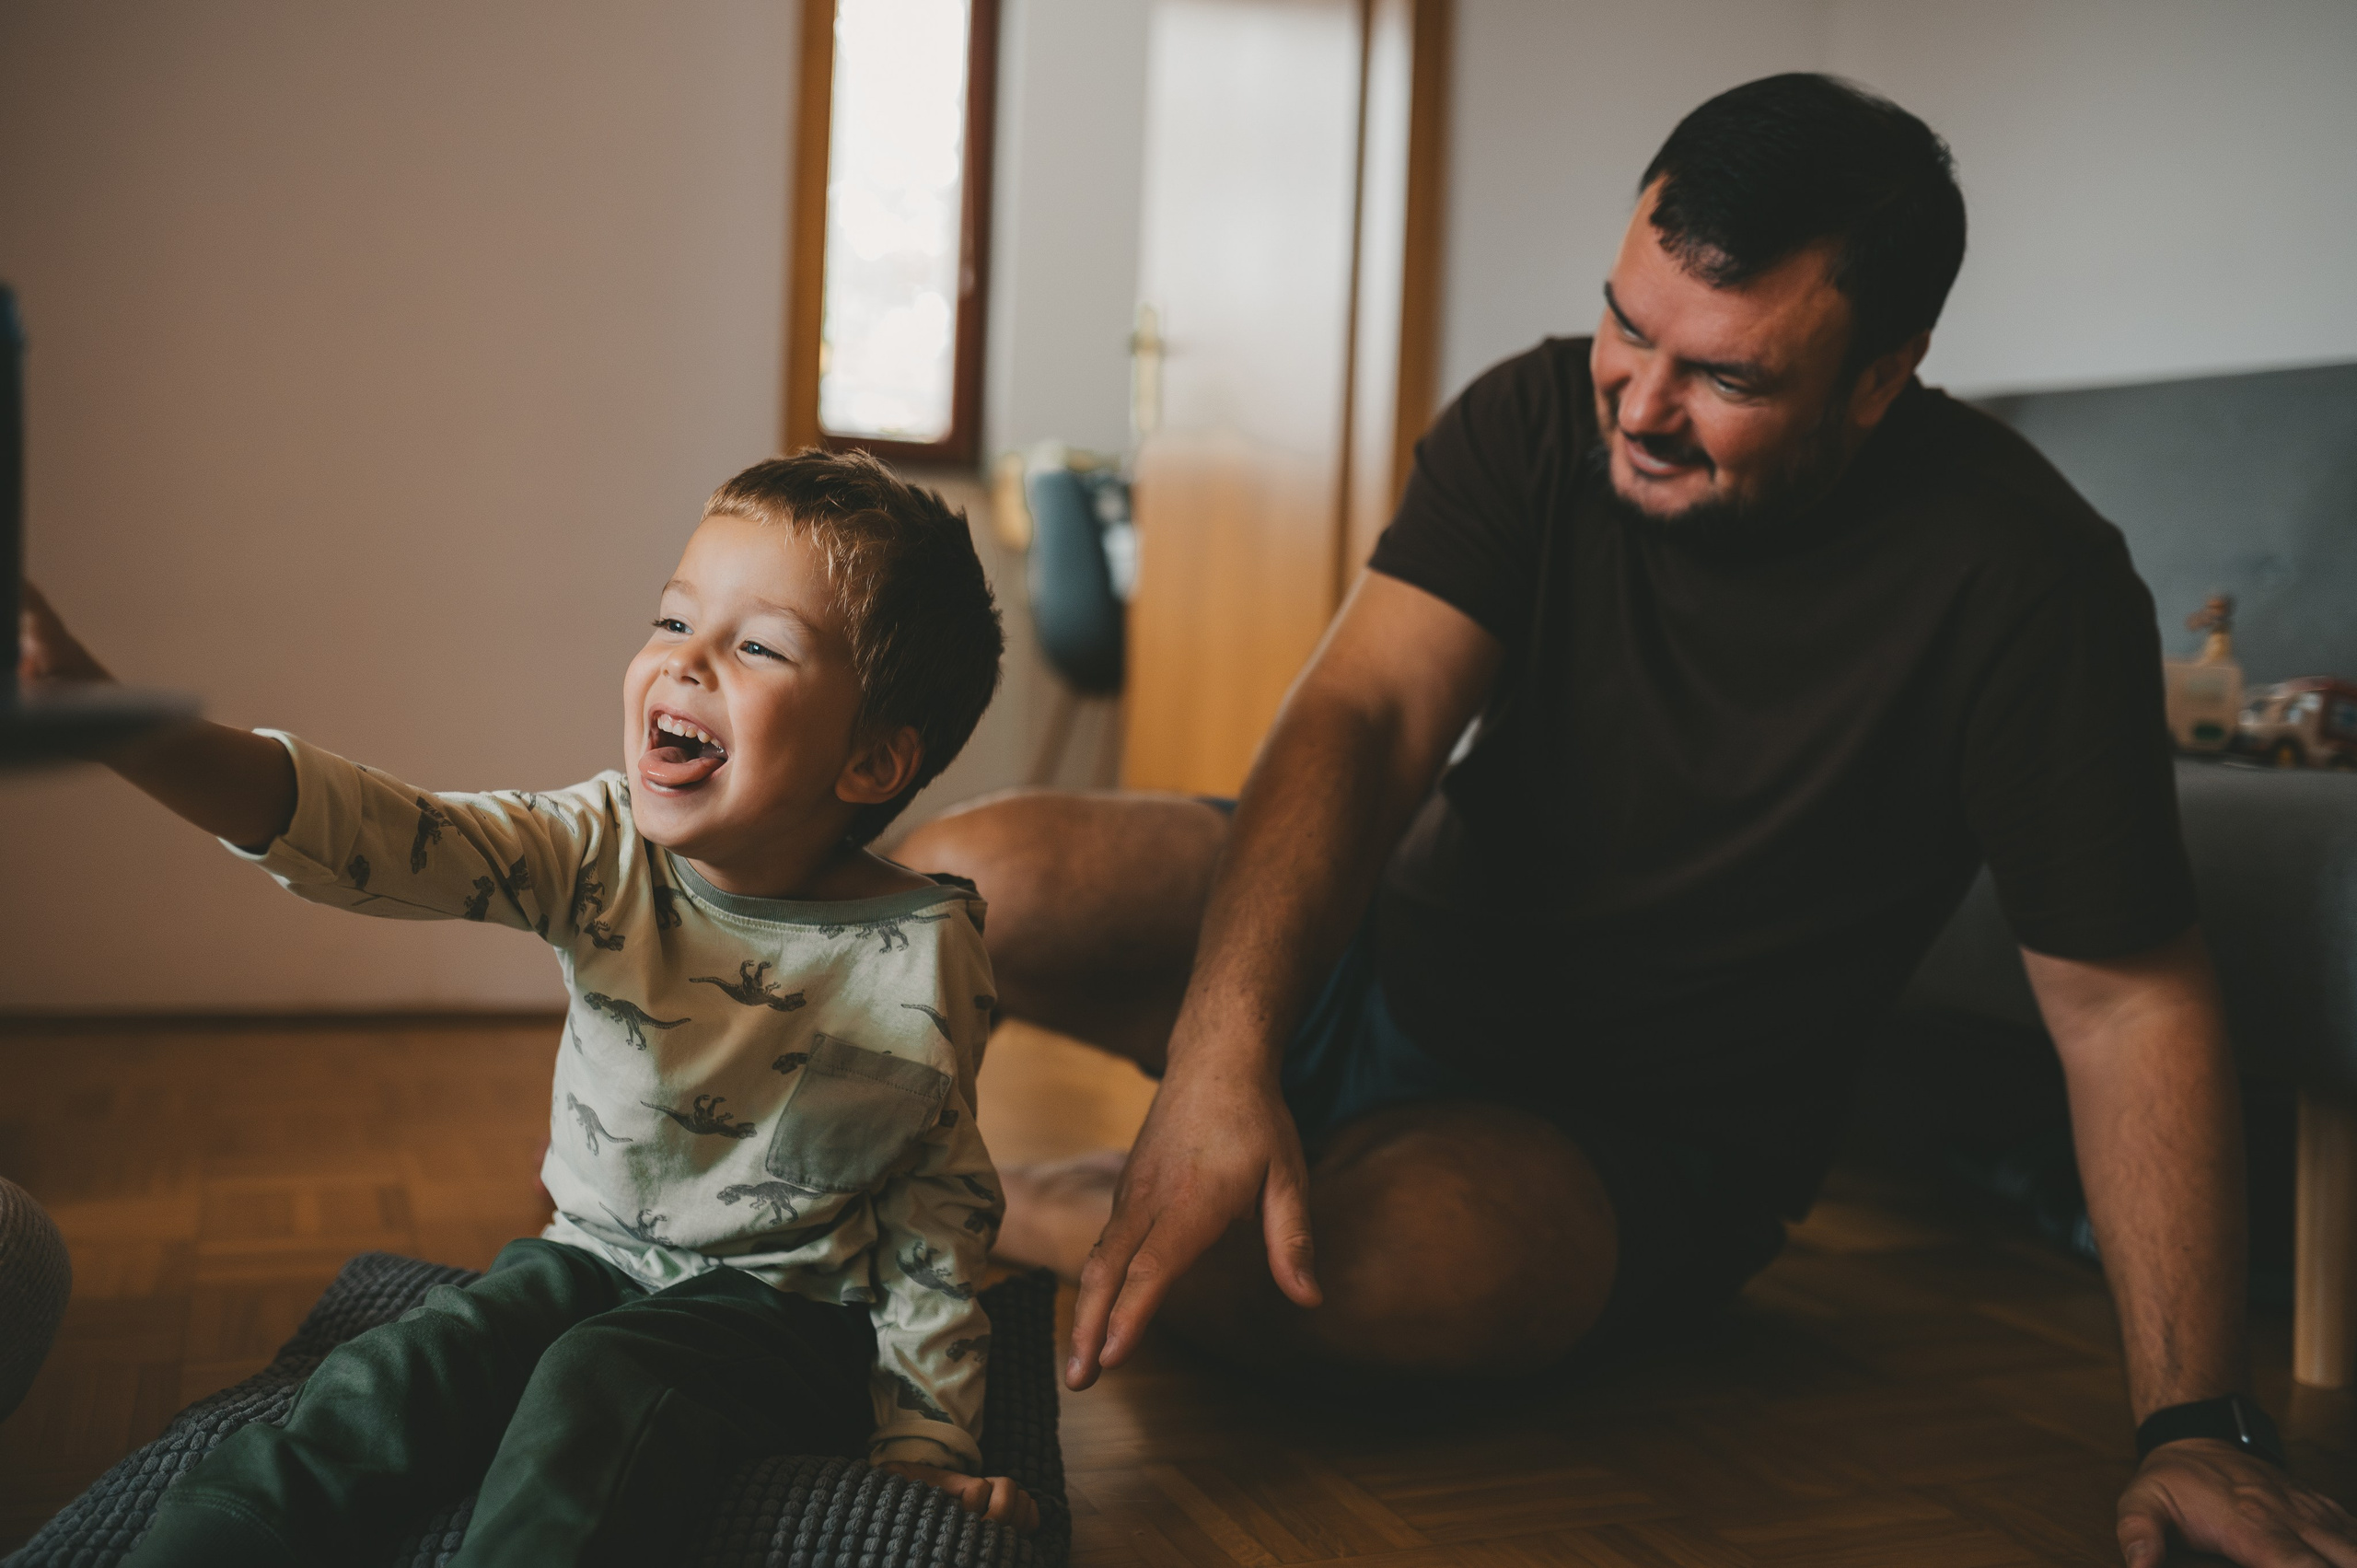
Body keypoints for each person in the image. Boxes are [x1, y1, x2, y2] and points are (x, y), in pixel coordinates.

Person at [899, 74, 2357, 1568]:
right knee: (962, 878)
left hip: (1625, 1145)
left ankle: (1033, 1207)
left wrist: (2200, 1422)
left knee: (1389, 1278)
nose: (1643, 404)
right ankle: (939, 1178)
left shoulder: (2031, 583)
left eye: (1726, 375)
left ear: (1881, 376)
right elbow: (1368, 714)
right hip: (1382, 951)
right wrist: (1223, 1057)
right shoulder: (1536, 415)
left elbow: (2126, 1001)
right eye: (1626, 324)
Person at [17, 449, 1039, 1565]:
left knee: (601, 1378)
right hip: (586, 1257)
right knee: (400, 1369)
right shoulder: (597, 846)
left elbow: (936, 1199)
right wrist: (119, 722)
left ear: (871, 760)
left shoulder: (920, 950)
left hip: (788, 1312)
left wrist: (925, 1436)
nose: (683, 659)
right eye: (672, 619)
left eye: (756, 645)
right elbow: (376, 834)